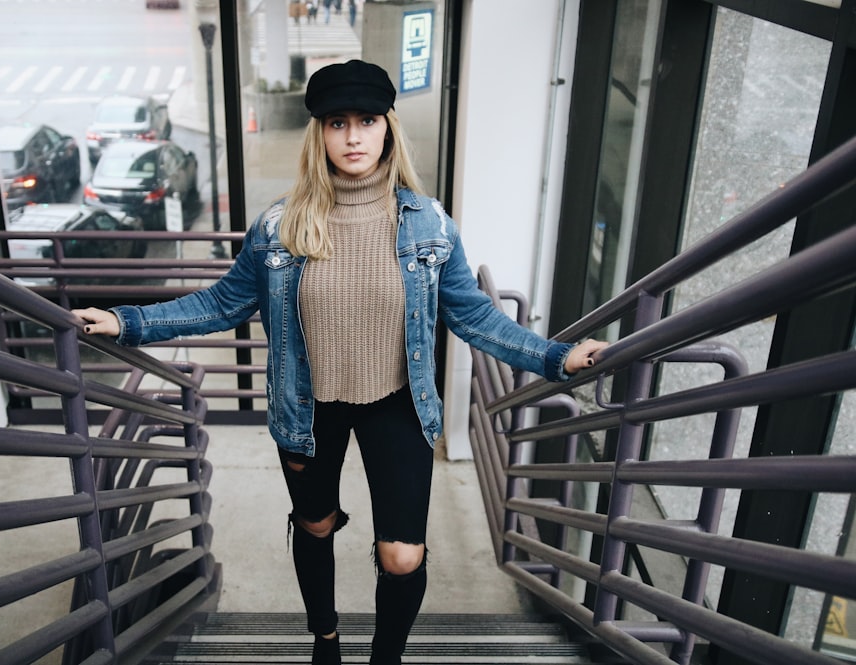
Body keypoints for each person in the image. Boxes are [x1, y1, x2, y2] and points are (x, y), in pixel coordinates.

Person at [73, 59, 607, 665]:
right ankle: (324, 639)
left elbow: (476, 317)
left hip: (397, 403)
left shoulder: (429, 226)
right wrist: (129, 322)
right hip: (309, 409)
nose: (352, 137)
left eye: (367, 121)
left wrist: (557, 356)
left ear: (388, 129)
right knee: (316, 526)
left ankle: (386, 659)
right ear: (319, 133)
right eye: (336, 123)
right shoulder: (280, 226)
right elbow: (223, 303)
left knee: (401, 554)